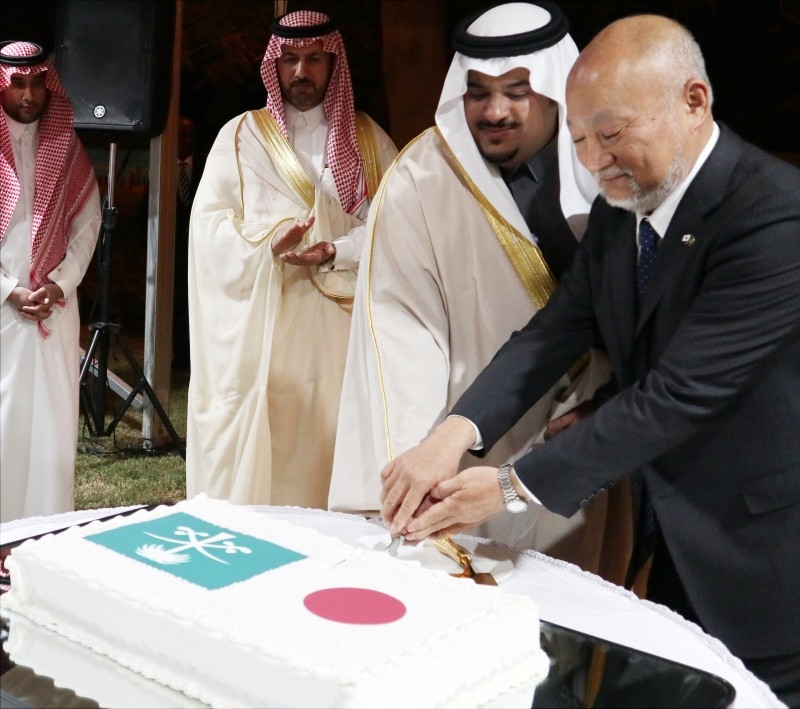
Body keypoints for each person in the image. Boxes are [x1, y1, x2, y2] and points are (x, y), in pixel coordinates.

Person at [381, 14, 800, 706]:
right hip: (675, 551)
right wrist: (450, 436)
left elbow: (677, 393)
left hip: (766, 559)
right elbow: (555, 331)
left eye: (612, 133)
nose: (595, 160)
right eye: (577, 139)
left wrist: (510, 487)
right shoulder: (622, 205)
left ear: (694, 102)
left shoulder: (772, 217)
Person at [329, 1, 630, 581]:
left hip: (602, 434)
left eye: (518, 91)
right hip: (471, 445)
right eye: (478, 92)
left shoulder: (612, 171)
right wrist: (420, 464)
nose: (495, 111)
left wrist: (612, 399)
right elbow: (402, 335)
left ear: (555, 90)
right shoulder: (422, 182)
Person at [186, 11, 397, 508]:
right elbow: (209, 228)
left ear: (333, 64)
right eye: (291, 60)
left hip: (342, 331)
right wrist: (267, 245)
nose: (301, 71)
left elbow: (396, 230)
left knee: (333, 444)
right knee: (276, 448)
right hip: (267, 324)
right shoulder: (241, 136)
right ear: (274, 67)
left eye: (314, 60)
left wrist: (335, 250)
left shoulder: (369, 140)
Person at [0, 41, 101, 523]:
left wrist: (59, 284)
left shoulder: (68, 148)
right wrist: (8, 291)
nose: (28, 94)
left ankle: (43, 534)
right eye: (17, 83)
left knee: (52, 430)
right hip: (2, 310)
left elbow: (87, 224)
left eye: (37, 82)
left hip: (54, 309)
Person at [172, 116, 201, 371]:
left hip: (200, 253)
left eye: (190, 135)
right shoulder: (162, 171)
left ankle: (191, 359)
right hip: (170, 255)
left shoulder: (205, 170)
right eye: (181, 135)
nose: (186, 140)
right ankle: (176, 358)